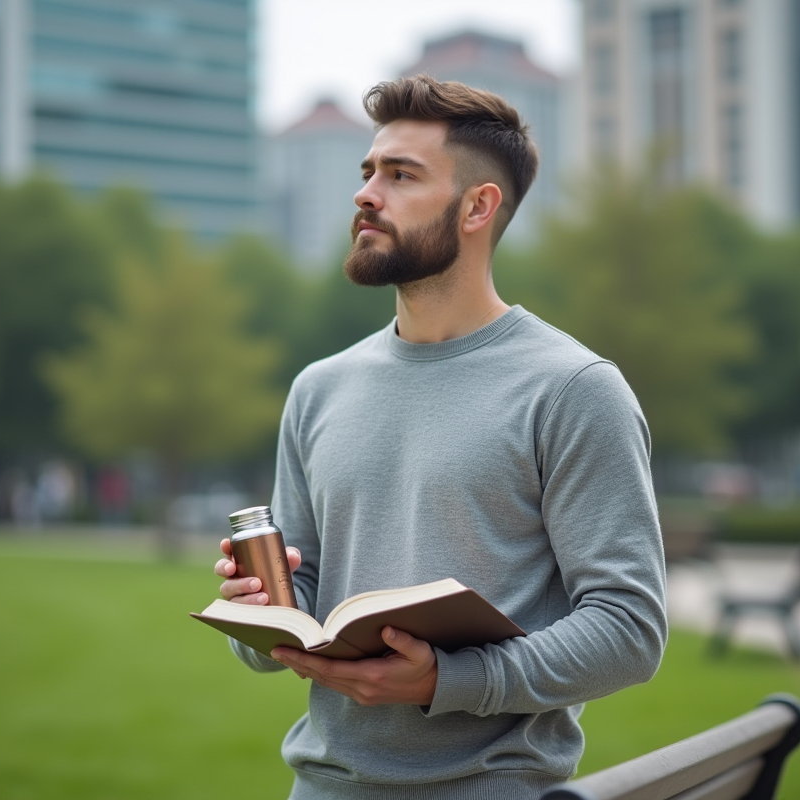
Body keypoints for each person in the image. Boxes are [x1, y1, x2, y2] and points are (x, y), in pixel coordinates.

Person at [214, 75, 667, 800]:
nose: (366, 193)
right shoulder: (317, 389)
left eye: (400, 175)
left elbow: (629, 629)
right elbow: (278, 634)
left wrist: (451, 681)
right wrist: (257, 613)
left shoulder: (574, 389)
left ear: (478, 206)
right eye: (367, 172)